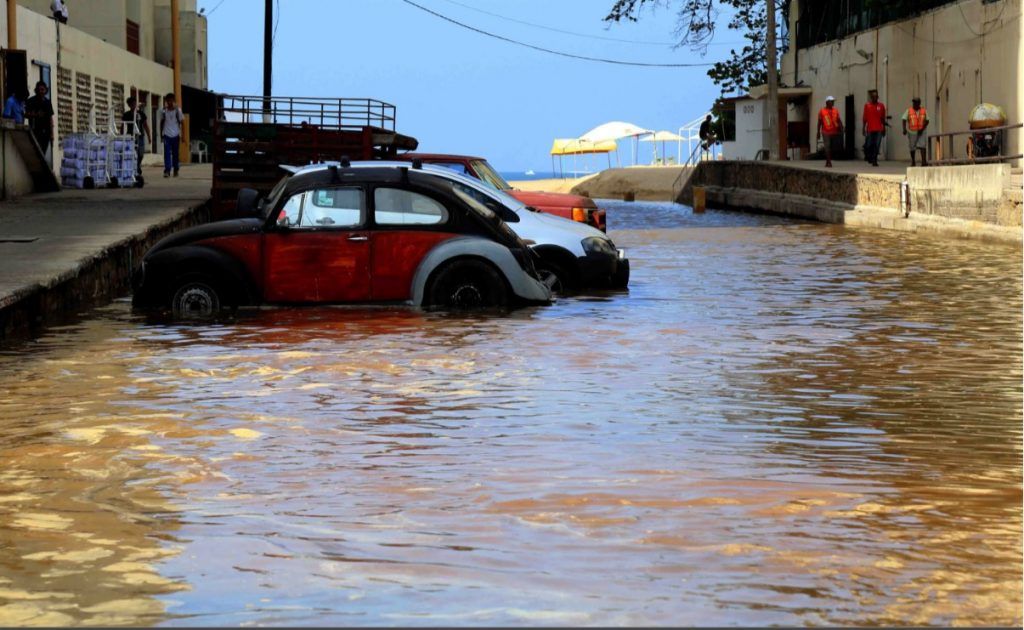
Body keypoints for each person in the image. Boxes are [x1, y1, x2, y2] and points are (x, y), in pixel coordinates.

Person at [122, 96, 151, 176]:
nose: (133, 105)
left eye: (134, 103)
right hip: (130, 137)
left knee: (140, 154)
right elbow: (122, 126)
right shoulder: (126, 115)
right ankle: (134, 169)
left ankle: (138, 165)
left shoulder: (141, 114)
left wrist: (149, 136)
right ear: (129, 105)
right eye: (131, 104)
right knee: (132, 153)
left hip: (140, 136)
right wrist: (121, 137)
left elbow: (145, 125)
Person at [24, 81, 54, 157]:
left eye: (43, 89)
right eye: (40, 89)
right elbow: (25, 114)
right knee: (35, 152)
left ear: (46, 90)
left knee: (43, 152)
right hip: (35, 131)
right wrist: (35, 114)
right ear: (36, 90)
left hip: (46, 132)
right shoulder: (31, 101)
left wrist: (52, 133)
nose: (41, 91)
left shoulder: (48, 102)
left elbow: (50, 118)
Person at [159, 92, 184, 178]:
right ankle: (167, 170)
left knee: (175, 154)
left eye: (171, 100)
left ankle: (176, 169)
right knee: (167, 153)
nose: (169, 102)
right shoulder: (163, 111)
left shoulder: (178, 111)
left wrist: (183, 135)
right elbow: (161, 123)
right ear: (166, 101)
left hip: (176, 135)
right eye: (168, 100)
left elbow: (182, 123)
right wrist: (161, 135)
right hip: (167, 135)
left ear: (174, 100)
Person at [901, 97, 929, 167]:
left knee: (922, 146)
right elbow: (904, 119)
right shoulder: (909, 110)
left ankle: (923, 162)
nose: (914, 104)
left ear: (919, 103)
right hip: (912, 132)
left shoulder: (923, 110)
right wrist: (904, 129)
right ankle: (913, 161)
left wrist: (922, 128)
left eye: (916, 102)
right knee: (912, 147)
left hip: (921, 131)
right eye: (914, 102)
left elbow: (927, 120)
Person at [862, 89, 886, 167]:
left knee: (877, 145)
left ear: (878, 97)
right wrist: (863, 128)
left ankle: (874, 160)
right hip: (870, 129)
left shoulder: (881, 106)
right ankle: (869, 156)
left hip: (879, 129)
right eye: (873, 97)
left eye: (876, 96)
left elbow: (883, 118)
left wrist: (884, 128)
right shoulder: (867, 106)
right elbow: (864, 118)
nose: (875, 98)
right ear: (871, 97)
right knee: (869, 144)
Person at [817, 96, 843, 168]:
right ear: (827, 102)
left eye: (833, 101)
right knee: (827, 146)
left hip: (834, 132)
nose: (833, 102)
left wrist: (841, 128)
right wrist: (818, 132)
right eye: (831, 101)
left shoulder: (836, 110)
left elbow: (838, 120)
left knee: (832, 148)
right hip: (825, 131)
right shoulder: (822, 111)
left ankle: (827, 160)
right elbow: (819, 122)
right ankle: (829, 162)